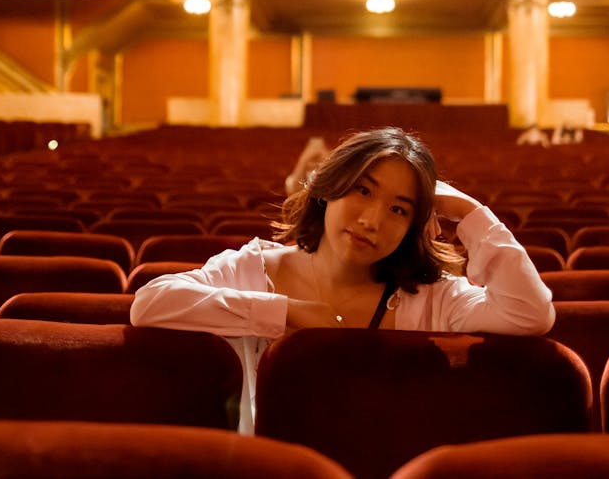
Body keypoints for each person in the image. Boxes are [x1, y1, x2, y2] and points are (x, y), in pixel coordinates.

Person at [131, 126, 555, 433]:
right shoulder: (253, 268)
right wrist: (286, 312)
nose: (371, 221)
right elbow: (150, 304)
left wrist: (470, 212)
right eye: (363, 191)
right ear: (329, 188)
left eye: (399, 209)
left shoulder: (433, 295)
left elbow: (529, 313)